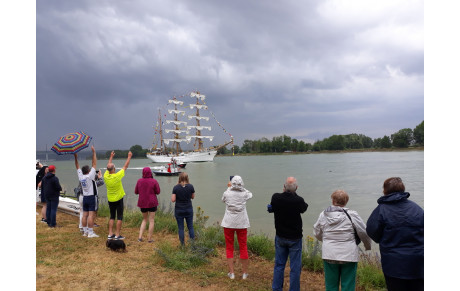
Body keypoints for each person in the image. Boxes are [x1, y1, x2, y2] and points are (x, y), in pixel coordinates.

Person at [366, 177, 424, 291]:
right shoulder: (417, 209)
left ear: (385, 191)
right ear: (403, 190)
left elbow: (372, 231)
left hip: (393, 265)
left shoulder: (381, 210)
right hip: (418, 263)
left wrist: (384, 239)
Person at [313, 190, 372, 291]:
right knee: (348, 285)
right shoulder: (352, 214)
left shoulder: (323, 214)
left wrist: (327, 241)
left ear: (333, 201)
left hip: (329, 254)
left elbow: (317, 231)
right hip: (349, 255)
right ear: (346, 201)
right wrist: (367, 246)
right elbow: (363, 232)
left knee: (331, 285)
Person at [269, 177, 308, 291]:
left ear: (284, 187)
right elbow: (304, 208)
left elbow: (273, 205)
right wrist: (293, 193)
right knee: (295, 268)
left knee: (279, 265)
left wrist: (286, 191)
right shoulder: (298, 200)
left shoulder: (276, 197)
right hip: (295, 238)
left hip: (280, 236)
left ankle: (276, 288)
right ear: (296, 188)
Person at [221, 175, 253, 280]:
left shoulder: (227, 192)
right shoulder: (244, 194)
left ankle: (232, 273)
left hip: (228, 223)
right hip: (242, 223)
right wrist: (241, 188)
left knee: (229, 247)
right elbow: (250, 194)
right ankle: (244, 273)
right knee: (243, 246)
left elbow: (223, 200)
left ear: (231, 183)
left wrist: (229, 187)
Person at [104, 150, 132, 240]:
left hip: (110, 199)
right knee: (119, 217)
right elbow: (125, 166)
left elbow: (109, 165)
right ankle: (117, 235)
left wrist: (111, 157)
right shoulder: (117, 176)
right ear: (114, 169)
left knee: (112, 216)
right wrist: (129, 157)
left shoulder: (106, 176)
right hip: (119, 199)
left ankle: (110, 233)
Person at [74, 145, 101, 238]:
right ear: (88, 171)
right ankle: (90, 232)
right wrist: (94, 152)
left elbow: (77, 166)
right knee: (91, 215)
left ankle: (85, 232)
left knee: (84, 215)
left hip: (84, 197)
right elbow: (94, 163)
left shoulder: (81, 177)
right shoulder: (90, 176)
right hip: (91, 197)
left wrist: (75, 157)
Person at [134, 167, 161, 243]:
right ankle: (149, 239)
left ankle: (140, 237)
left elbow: (136, 192)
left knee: (144, 219)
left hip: (142, 203)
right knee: (151, 220)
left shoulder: (139, 181)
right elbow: (158, 191)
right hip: (152, 202)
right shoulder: (154, 181)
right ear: (150, 173)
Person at [171, 172, 195, 245]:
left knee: (181, 228)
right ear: (187, 178)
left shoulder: (176, 187)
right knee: (190, 227)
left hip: (179, 209)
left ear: (179, 178)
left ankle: (182, 245)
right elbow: (193, 197)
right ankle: (192, 245)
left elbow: (173, 200)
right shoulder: (191, 186)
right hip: (188, 209)